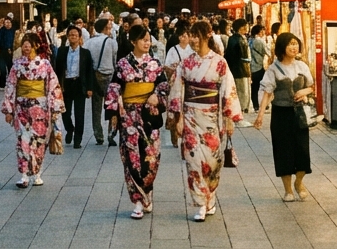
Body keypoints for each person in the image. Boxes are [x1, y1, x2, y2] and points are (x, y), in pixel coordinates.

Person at [169, 20, 242, 222]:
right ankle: (200, 203)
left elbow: (228, 90)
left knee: (213, 161)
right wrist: (178, 118)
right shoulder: (186, 63)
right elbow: (177, 90)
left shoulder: (220, 62)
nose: (192, 39)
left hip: (213, 117)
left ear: (206, 36)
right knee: (193, 161)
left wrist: (229, 119)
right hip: (190, 115)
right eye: (191, 35)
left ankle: (210, 197)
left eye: (195, 35)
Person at [105, 22, 169, 219]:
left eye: (148, 40)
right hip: (129, 116)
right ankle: (138, 202)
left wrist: (157, 95)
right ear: (133, 41)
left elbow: (164, 85)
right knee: (131, 157)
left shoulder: (155, 64)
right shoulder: (123, 64)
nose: (147, 43)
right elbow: (114, 87)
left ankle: (147, 192)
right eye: (143, 40)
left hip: (149, 115)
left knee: (151, 157)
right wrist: (114, 111)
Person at [253, 32, 315, 202]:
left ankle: (299, 182)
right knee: (283, 151)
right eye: (290, 44)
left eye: (295, 43)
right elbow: (267, 92)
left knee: (302, 151)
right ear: (282, 47)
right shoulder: (273, 69)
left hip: (299, 114)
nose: (294, 47)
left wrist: (304, 91)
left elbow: (311, 86)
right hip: (281, 114)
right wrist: (260, 115)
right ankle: (288, 190)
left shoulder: (302, 66)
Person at [1, 31, 64, 188]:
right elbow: (10, 86)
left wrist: (55, 108)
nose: (26, 47)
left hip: (40, 107)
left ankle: (37, 173)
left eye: (29, 44)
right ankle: (24, 175)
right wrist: (9, 110)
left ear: (36, 46)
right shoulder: (17, 65)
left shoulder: (45, 64)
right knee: (23, 139)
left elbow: (53, 86)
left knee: (39, 140)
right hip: (21, 107)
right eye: (24, 44)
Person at [53, 24, 92, 149]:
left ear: (80, 37)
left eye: (75, 35)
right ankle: (70, 129)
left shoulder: (85, 53)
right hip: (66, 84)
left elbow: (89, 71)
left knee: (79, 114)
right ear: (67, 37)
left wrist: (89, 88)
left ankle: (78, 139)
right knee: (65, 112)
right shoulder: (62, 51)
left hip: (79, 84)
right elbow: (57, 69)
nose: (73, 37)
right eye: (70, 35)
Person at [85, 16, 119, 146]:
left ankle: (98, 134)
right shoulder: (112, 42)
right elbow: (114, 60)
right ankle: (111, 133)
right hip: (109, 75)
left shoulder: (89, 42)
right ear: (105, 28)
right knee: (112, 106)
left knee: (96, 107)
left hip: (95, 76)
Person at [223, 19, 251, 116]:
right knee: (242, 91)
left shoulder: (236, 38)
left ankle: (241, 110)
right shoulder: (237, 39)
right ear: (241, 27)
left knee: (242, 90)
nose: (247, 28)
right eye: (246, 26)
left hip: (240, 69)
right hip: (239, 69)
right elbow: (234, 56)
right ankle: (240, 111)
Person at [249, 23, 268, 112]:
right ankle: (264, 104)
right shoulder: (260, 41)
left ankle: (256, 105)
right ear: (260, 31)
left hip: (251, 66)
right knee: (264, 86)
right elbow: (267, 51)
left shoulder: (249, 40)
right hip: (259, 66)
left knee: (254, 88)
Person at [0, 16, 15, 89]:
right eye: (6, 22)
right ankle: (2, 85)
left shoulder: (13, 31)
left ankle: (11, 83)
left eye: (9, 22)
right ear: (4, 23)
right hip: (2, 52)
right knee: (3, 69)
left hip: (11, 52)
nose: (8, 24)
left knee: (11, 69)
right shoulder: (1, 31)